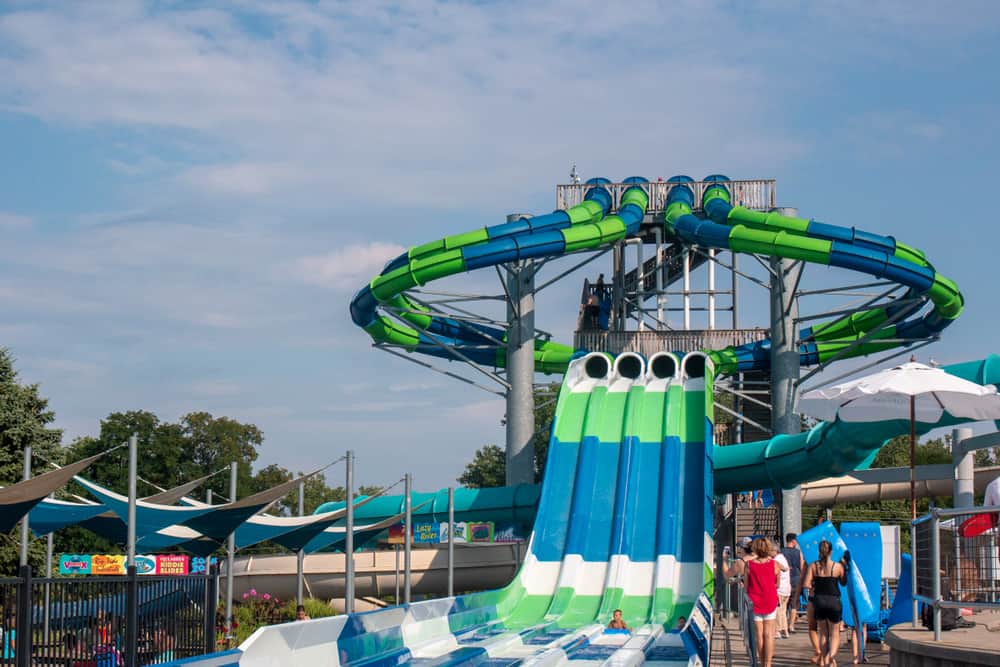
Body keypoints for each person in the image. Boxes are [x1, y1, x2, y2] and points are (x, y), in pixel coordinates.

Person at [802, 540, 847, 667]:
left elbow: (806, 584)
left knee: (823, 633)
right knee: (835, 633)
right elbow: (843, 582)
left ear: (819, 552)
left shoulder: (813, 566)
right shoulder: (837, 567)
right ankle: (831, 658)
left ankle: (823, 657)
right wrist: (844, 565)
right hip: (834, 600)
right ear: (831, 552)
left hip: (819, 600)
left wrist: (815, 586)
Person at [743, 538, 785, 667]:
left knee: (759, 635)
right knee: (769, 634)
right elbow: (777, 584)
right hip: (770, 600)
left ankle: (761, 663)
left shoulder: (749, 565)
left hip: (755, 602)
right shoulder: (775, 564)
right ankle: (768, 664)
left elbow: (746, 586)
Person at [781, 533, 806, 632]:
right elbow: (802, 565)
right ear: (793, 541)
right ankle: (791, 626)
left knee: (783, 604)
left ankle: (783, 626)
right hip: (796, 579)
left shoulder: (781, 552)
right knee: (794, 604)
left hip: (784, 580)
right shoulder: (798, 552)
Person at [772, 542, 791, 639]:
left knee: (778, 610)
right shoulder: (783, 558)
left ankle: (778, 631)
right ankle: (785, 630)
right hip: (787, 588)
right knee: (783, 611)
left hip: (779, 589)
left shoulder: (776, 560)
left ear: (775, 551)